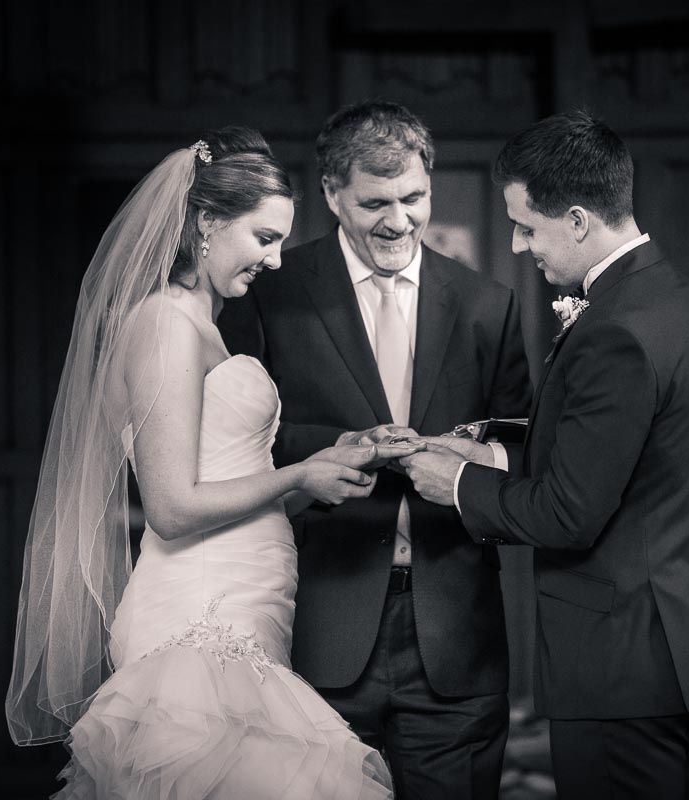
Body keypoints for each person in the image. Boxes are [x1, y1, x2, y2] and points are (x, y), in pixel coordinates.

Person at [5, 126, 421, 798]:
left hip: (247, 609)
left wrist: (325, 466)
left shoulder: (205, 325)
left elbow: (231, 487)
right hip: (197, 617)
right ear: (206, 223)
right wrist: (296, 473)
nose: (276, 261)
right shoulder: (164, 324)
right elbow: (172, 509)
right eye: (265, 237)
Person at [401, 110, 689, 800]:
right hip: (686, 643)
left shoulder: (615, 328)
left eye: (528, 227)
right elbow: (626, 452)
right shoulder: (675, 297)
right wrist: (496, 451)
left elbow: (568, 514)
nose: (520, 245)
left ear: (580, 220)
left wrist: (457, 482)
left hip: (624, 664)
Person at [220, 100, 531, 798]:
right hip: (314, 628)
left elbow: (521, 451)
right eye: (375, 203)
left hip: (455, 640)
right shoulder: (270, 294)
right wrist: (332, 452)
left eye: (413, 198)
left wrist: (466, 465)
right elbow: (235, 447)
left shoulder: (489, 304)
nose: (398, 220)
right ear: (332, 194)